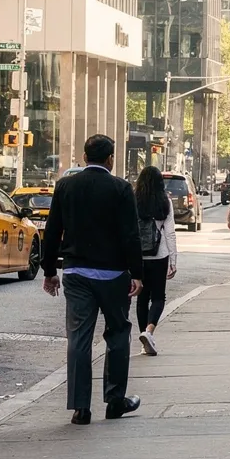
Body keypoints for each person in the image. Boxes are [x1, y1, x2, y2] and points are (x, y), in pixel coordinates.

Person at [41, 134, 143, 425]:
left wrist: (49, 271)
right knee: (119, 332)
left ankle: (80, 408)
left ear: (84, 158)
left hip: (75, 273)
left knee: (79, 338)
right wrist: (137, 273)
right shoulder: (121, 188)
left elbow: (52, 231)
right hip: (113, 275)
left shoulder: (66, 186)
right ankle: (115, 401)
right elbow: (130, 234)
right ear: (110, 159)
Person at [132, 165, 179, 356]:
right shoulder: (164, 201)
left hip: (138, 256)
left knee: (141, 298)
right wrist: (173, 260)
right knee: (158, 297)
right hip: (159, 256)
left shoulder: (133, 200)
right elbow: (170, 233)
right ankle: (149, 331)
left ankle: (145, 341)